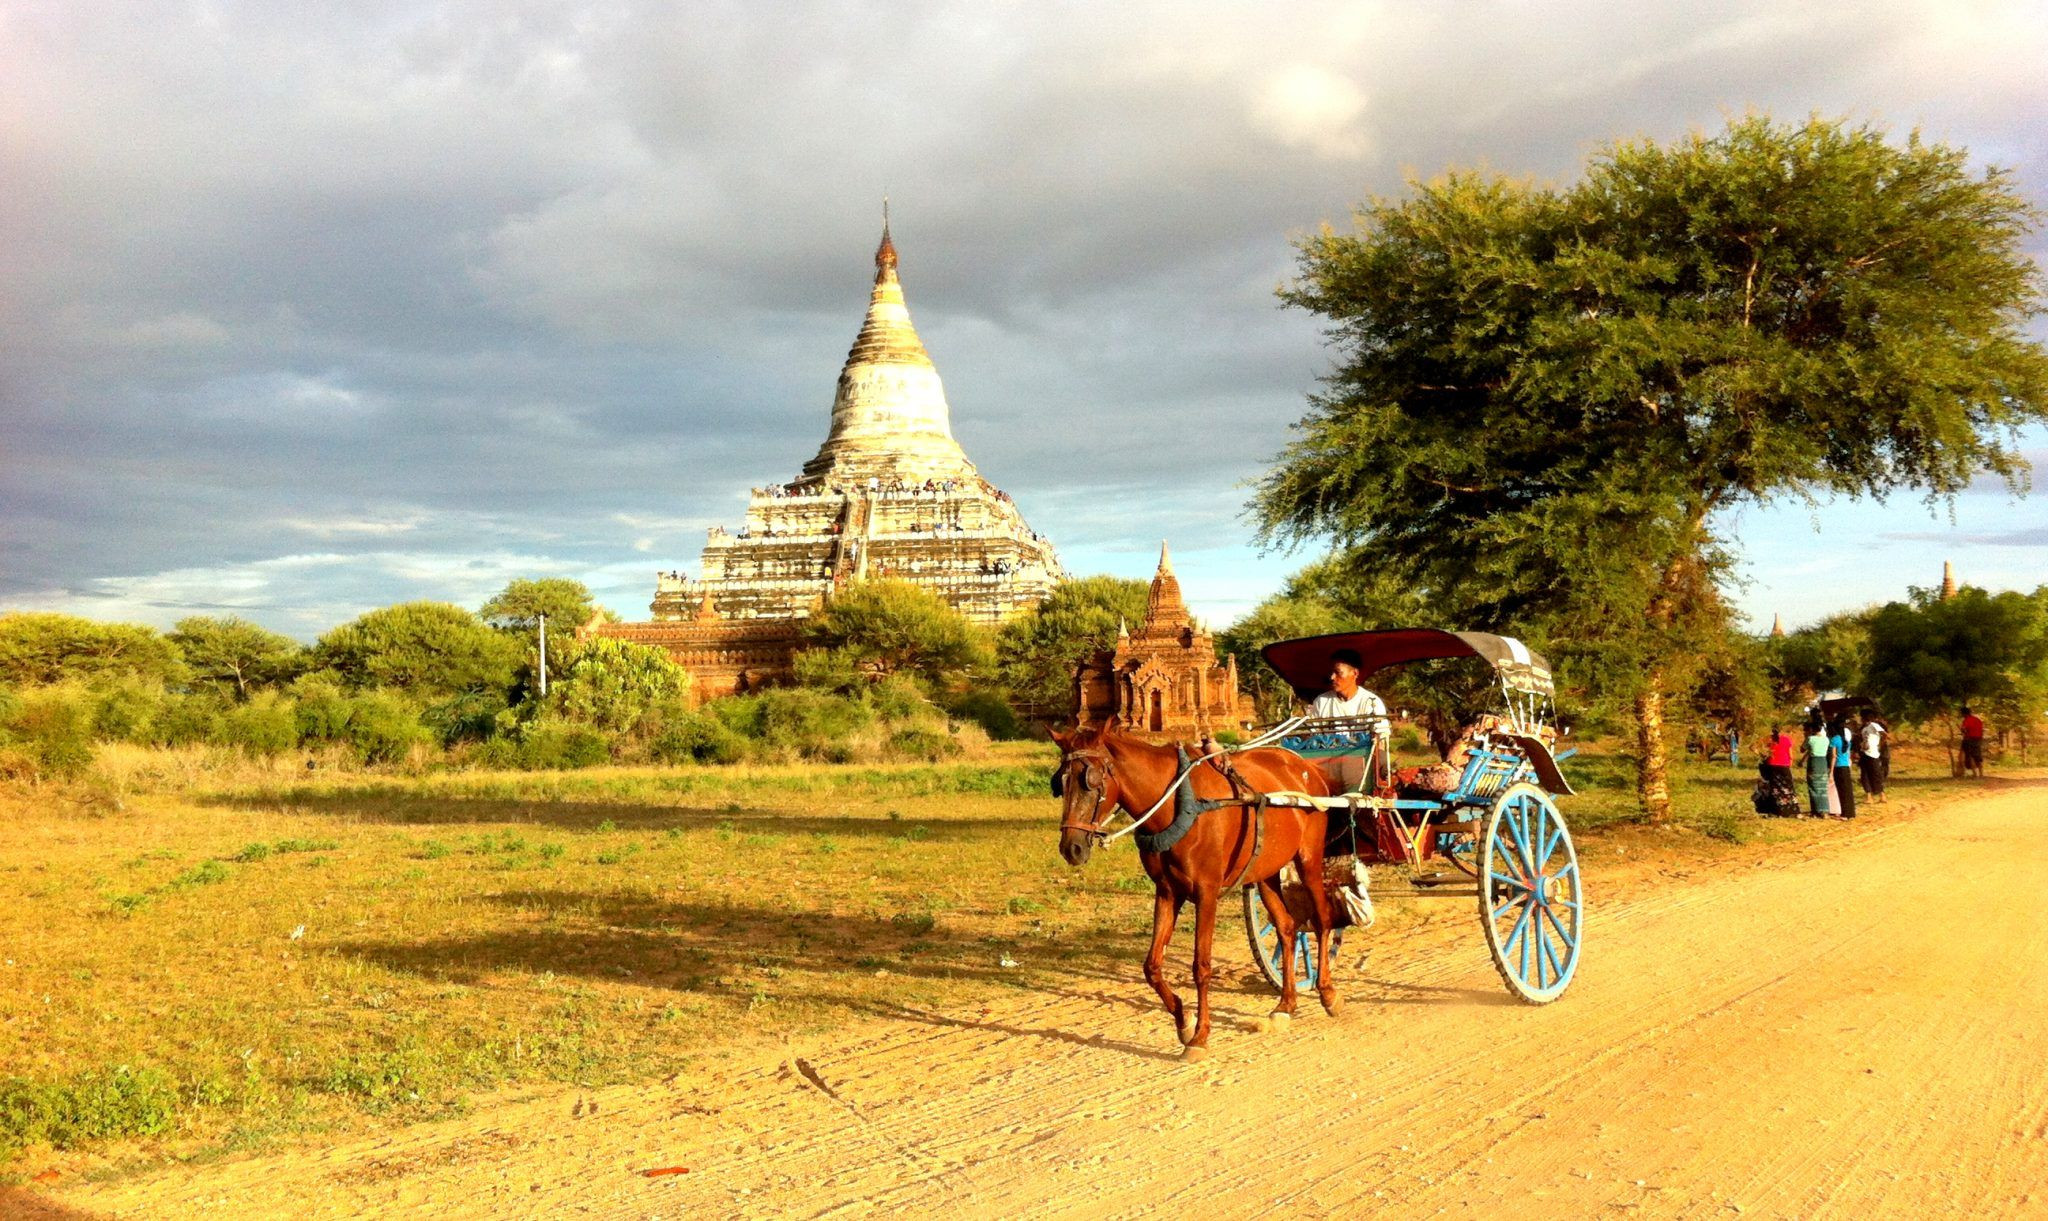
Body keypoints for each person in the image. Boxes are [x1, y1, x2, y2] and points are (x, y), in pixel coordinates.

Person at [1309, 648, 1388, 794]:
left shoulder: (1371, 702)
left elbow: (1380, 741)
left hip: (1361, 763)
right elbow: (1314, 738)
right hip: (1328, 763)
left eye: (1338, 672)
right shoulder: (1321, 701)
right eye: (1331, 673)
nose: (1332, 677)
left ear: (1355, 673)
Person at [1801, 716, 1834, 817]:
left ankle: (1816, 810)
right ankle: (1825, 810)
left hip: (1814, 763)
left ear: (1812, 729)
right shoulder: (1826, 740)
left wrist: (1807, 737)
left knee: (1813, 786)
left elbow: (1802, 749)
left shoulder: (1810, 738)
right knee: (1822, 787)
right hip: (1823, 763)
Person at [1828, 717, 1857, 820]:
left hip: (1838, 767)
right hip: (1846, 767)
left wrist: (1831, 771)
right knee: (1848, 790)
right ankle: (1851, 812)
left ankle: (1845, 814)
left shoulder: (1834, 739)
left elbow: (1834, 756)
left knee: (1842, 791)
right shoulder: (1847, 741)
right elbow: (1848, 754)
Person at [1858, 715, 1888, 802]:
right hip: (1864, 753)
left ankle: (1882, 795)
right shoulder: (1863, 729)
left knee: (1876, 774)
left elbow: (1884, 734)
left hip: (1873, 753)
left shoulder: (1873, 725)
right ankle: (1869, 796)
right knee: (1865, 775)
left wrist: (1880, 744)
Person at [1959, 705, 1986, 777]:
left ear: (1964, 714)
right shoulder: (1977, 720)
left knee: (1970, 756)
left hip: (1969, 739)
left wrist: (1963, 732)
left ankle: (1974, 774)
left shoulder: (1966, 720)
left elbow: (1963, 729)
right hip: (1978, 739)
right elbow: (1982, 729)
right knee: (1978, 756)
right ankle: (1981, 774)